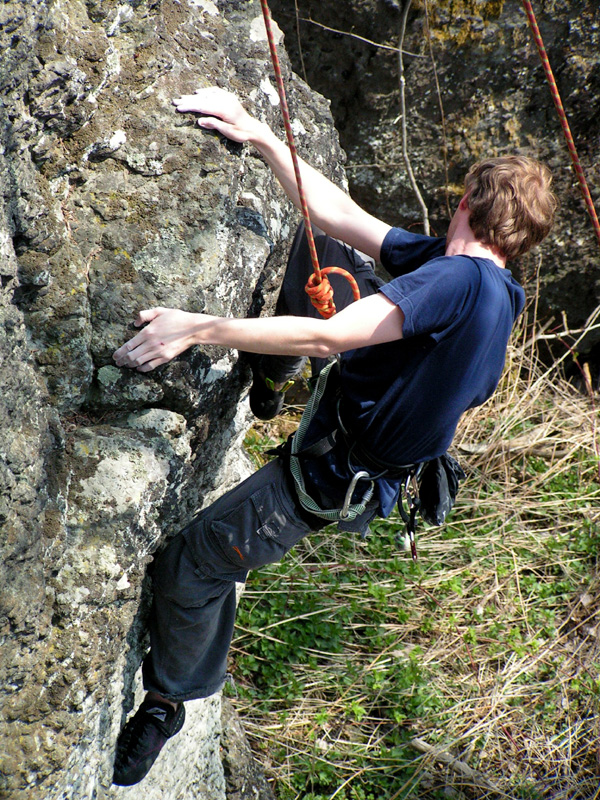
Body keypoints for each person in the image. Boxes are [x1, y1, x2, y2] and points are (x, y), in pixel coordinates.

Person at [110, 87, 557, 786]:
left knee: (194, 565)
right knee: (321, 247)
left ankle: (169, 700)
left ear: (466, 202)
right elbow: (340, 217)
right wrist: (258, 133)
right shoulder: (495, 293)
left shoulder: (453, 280)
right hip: (360, 436)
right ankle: (270, 376)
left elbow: (331, 335)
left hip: (328, 477)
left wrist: (194, 327)